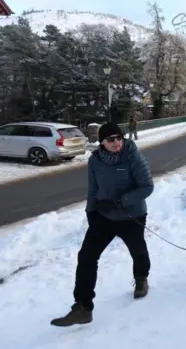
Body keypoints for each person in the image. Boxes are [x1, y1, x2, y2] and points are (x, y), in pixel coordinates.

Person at [51, 122, 154, 327]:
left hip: (131, 215)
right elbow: (93, 189)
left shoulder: (132, 156)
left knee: (138, 251)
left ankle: (141, 277)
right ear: (102, 142)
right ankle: (82, 306)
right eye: (110, 139)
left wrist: (121, 201)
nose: (116, 142)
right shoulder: (95, 161)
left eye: (119, 137)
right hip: (104, 216)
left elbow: (147, 187)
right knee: (87, 256)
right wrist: (90, 212)